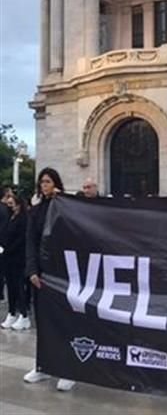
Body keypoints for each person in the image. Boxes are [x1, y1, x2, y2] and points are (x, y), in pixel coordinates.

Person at [23, 167, 76, 391]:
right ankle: (43, 366)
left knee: (63, 322)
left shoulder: (66, 208)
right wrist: (32, 271)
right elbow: (30, 243)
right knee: (43, 323)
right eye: (41, 182)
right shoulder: (36, 211)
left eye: (48, 181)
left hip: (63, 274)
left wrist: (62, 200)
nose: (44, 185)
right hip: (41, 275)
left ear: (56, 183)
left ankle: (68, 369)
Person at [0, 188, 29, 330]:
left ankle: (24, 315)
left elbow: (21, 239)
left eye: (13, 204)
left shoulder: (23, 219)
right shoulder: (11, 217)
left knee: (18, 286)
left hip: (17, 257)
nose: (11, 206)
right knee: (10, 287)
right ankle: (11, 313)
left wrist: (8, 248)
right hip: (7, 256)